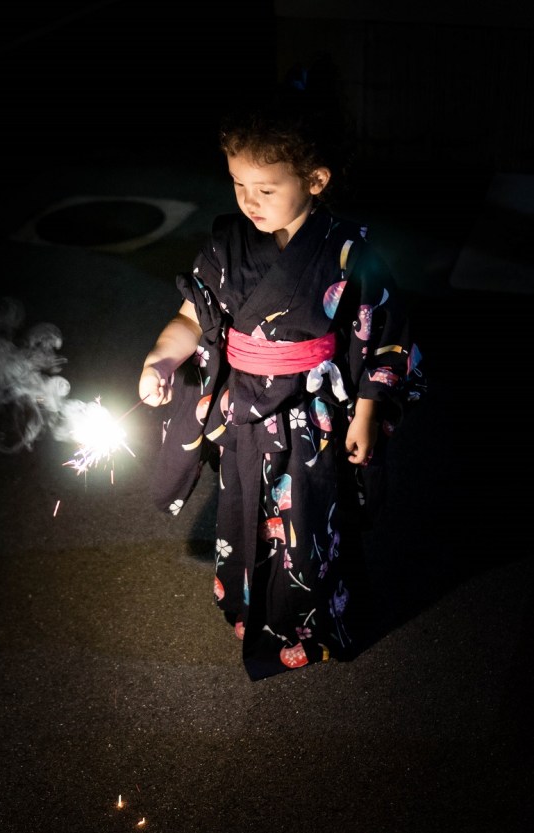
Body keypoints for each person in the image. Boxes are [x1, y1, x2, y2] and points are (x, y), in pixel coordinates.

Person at [138, 59, 426, 681]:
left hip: (309, 415)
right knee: (243, 509)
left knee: (310, 521)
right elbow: (192, 316)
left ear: (315, 179)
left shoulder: (347, 250)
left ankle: (312, 623)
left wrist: (368, 411)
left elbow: (382, 335)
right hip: (245, 412)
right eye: (238, 184)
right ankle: (252, 609)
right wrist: (163, 357)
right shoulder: (226, 245)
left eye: (266, 189)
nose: (249, 201)